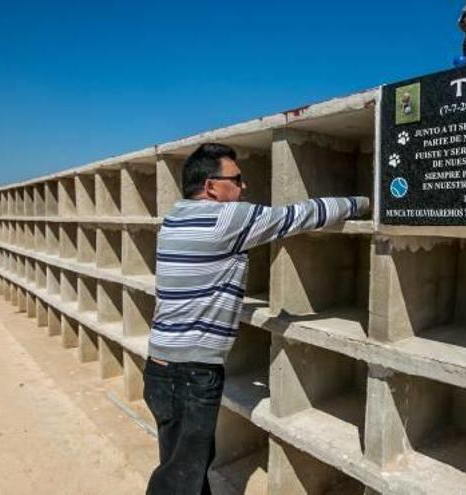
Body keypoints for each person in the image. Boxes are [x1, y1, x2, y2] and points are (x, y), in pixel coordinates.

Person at [143, 142, 370, 494]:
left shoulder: (174, 218)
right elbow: (301, 215)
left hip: (159, 369)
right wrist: (362, 202)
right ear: (211, 187)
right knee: (180, 480)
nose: (244, 186)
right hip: (191, 374)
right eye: (237, 179)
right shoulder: (226, 219)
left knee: (182, 465)